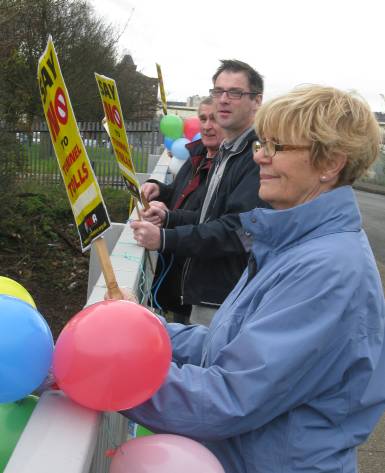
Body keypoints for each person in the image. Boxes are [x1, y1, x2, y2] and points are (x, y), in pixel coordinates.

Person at [121, 85, 385, 473]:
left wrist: (105, 373)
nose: (260, 156)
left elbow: (229, 398)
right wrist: (140, 327)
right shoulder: (293, 244)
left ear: (330, 163)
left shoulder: (328, 271)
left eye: (277, 147)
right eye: (263, 143)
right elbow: (223, 344)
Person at [131, 59, 266, 326]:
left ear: (256, 100)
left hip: (224, 297)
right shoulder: (226, 152)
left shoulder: (256, 157)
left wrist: (165, 237)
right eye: (218, 92)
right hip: (203, 289)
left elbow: (237, 232)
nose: (223, 100)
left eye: (235, 93)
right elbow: (206, 217)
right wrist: (169, 220)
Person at [141, 97, 224, 323]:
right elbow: (181, 193)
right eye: (203, 119)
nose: (207, 125)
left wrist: (168, 218)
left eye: (214, 119)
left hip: (199, 275)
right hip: (179, 266)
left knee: (189, 337)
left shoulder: (226, 165)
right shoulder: (197, 154)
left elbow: (210, 218)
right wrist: (158, 189)